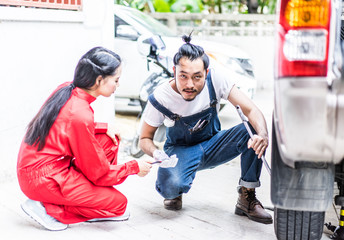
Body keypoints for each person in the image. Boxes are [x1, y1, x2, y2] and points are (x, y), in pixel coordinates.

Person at [139, 34, 272, 224]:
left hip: (214, 145)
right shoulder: (160, 97)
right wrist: (156, 153)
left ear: (207, 73)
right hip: (180, 153)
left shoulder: (216, 79)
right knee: (170, 186)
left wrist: (263, 135)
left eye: (197, 77)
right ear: (173, 71)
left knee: (254, 130)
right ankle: (176, 190)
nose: (189, 84)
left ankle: (247, 196)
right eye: (183, 76)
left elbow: (251, 109)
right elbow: (144, 138)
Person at [17, 47, 152, 231]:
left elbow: (66, 125)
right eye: (116, 80)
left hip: (42, 169)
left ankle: (79, 194)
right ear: (99, 80)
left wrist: (104, 127)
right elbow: (99, 173)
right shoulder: (80, 112)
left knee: (108, 138)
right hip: (44, 179)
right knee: (119, 205)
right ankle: (46, 207)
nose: (118, 85)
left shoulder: (67, 88)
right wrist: (134, 167)